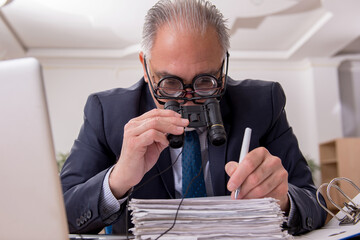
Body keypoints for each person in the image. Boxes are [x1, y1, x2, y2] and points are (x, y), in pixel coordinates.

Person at [60, 0, 327, 236]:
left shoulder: (263, 102)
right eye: (170, 83)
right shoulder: (106, 111)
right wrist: (117, 180)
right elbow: (61, 214)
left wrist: (282, 200)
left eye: (205, 81)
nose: (188, 99)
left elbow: (315, 204)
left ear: (223, 67)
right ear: (145, 66)